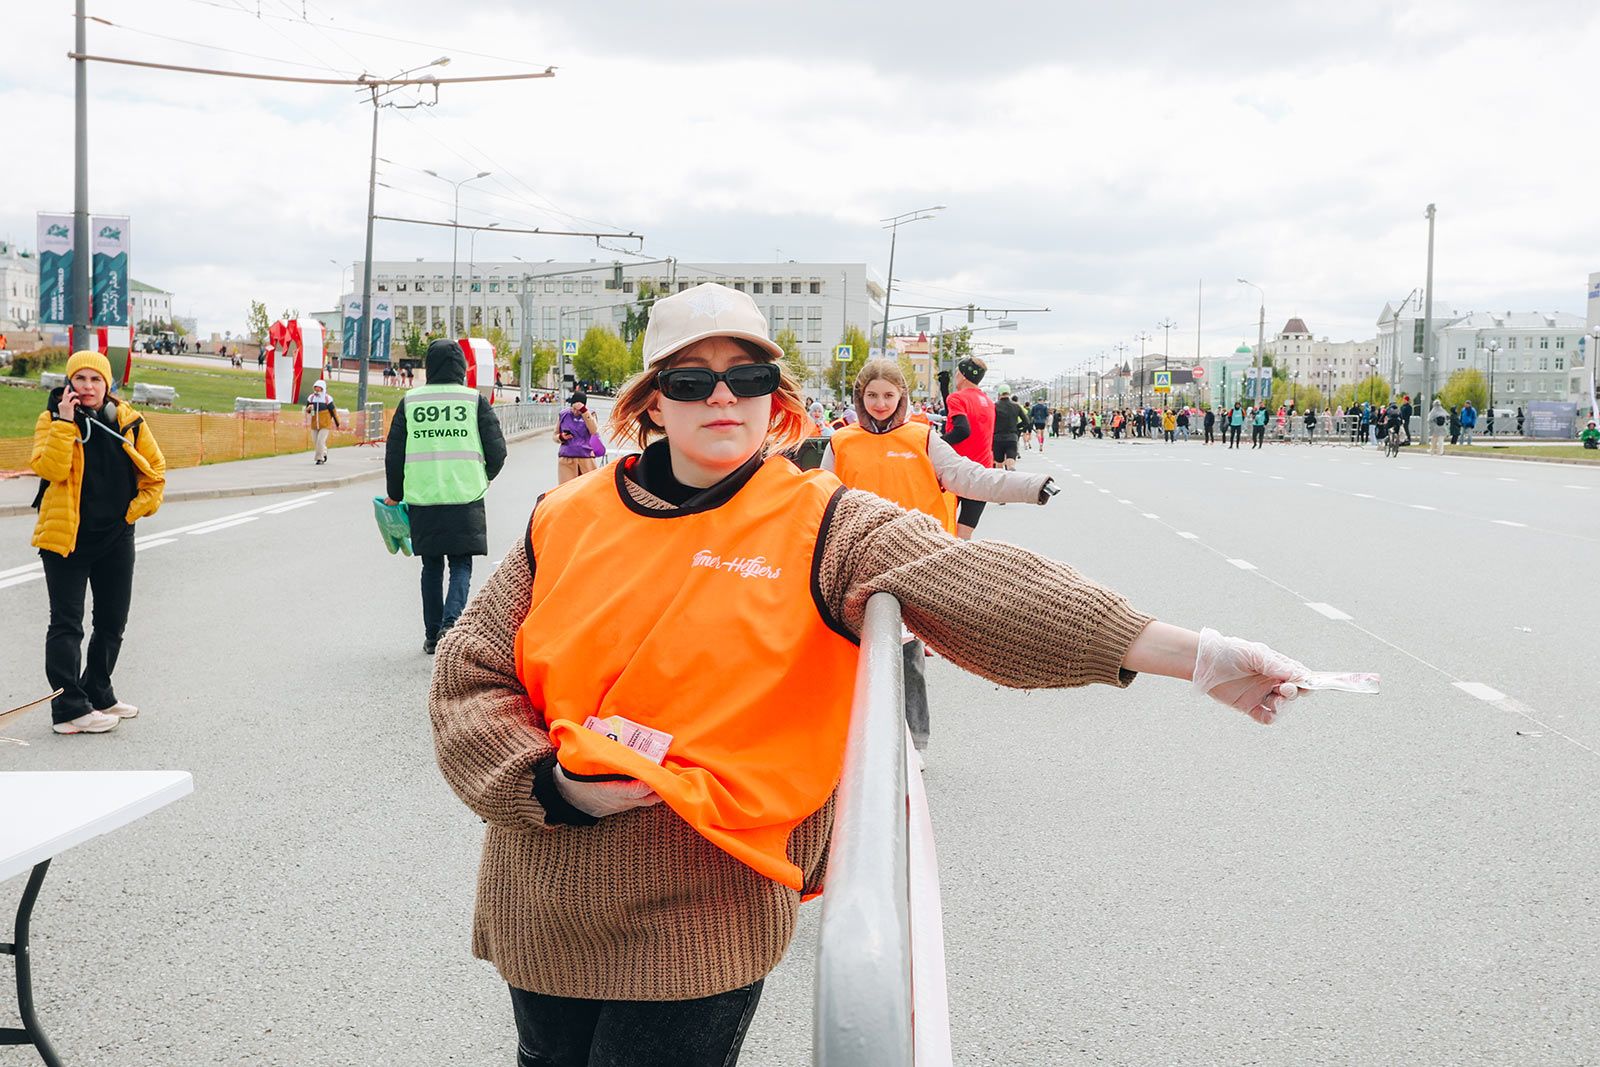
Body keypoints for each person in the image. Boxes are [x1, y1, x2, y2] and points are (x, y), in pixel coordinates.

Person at [428, 283, 1310, 1067]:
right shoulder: (565, 518)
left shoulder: (823, 522)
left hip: (699, 918)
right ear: (653, 402)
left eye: (748, 376)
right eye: (691, 380)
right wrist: (549, 785)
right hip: (541, 900)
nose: (722, 396)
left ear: (779, 401)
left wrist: (1193, 655)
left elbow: (992, 592)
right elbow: (470, 678)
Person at [822, 358, 1056, 756]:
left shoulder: (923, 438)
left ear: (902, 397)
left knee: (909, 655)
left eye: (888, 395)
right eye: (872, 395)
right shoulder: (840, 442)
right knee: (848, 654)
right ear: (860, 396)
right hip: (857, 560)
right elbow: (819, 498)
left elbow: (971, 477)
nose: (880, 403)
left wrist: (1030, 486)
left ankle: (915, 743)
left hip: (915, 559)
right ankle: (848, 744)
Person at [30, 350, 166, 735]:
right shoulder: (51, 419)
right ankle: (69, 709)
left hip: (115, 538)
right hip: (66, 540)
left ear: (108, 385)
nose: (88, 387)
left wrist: (130, 514)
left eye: (95, 380)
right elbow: (50, 468)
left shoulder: (128, 421)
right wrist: (65, 422)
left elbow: (156, 473)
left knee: (111, 622)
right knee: (66, 625)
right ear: (69, 384)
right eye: (80, 379)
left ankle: (98, 691)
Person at [384, 339, 508, 655]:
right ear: (460, 367)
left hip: (424, 496)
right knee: (461, 563)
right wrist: (486, 477)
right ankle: (451, 625)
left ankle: (431, 633)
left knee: (431, 566)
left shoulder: (411, 402)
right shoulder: (473, 401)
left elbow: (394, 452)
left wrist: (394, 495)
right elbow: (497, 449)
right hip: (465, 493)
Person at [940, 357, 997, 539]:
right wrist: (944, 389)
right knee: (964, 533)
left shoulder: (957, 398)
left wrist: (935, 443)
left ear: (962, 375)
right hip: (982, 473)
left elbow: (962, 430)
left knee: (942, 526)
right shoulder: (987, 401)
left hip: (957, 472)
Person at [555, 392, 600, 484]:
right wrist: (561, 437)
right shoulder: (564, 414)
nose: (576, 412)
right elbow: (554, 435)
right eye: (574, 408)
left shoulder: (589, 414)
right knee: (566, 490)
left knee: (588, 489)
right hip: (567, 458)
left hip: (586, 457)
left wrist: (584, 412)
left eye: (578, 410)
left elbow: (594, 431)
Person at [304, 379, 340, 465]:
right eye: (315, 387)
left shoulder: (327, 399)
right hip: (314, 424)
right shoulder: (311, 398)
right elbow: (308, 410)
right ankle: (324, 452)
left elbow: (333, 412)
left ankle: (319, 459)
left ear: (323, 388)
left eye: (319, 388)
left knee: (320, 441)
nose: (317, 389)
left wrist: (337, 423)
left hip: (325, 424)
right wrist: (308, 409)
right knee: (316, 442)